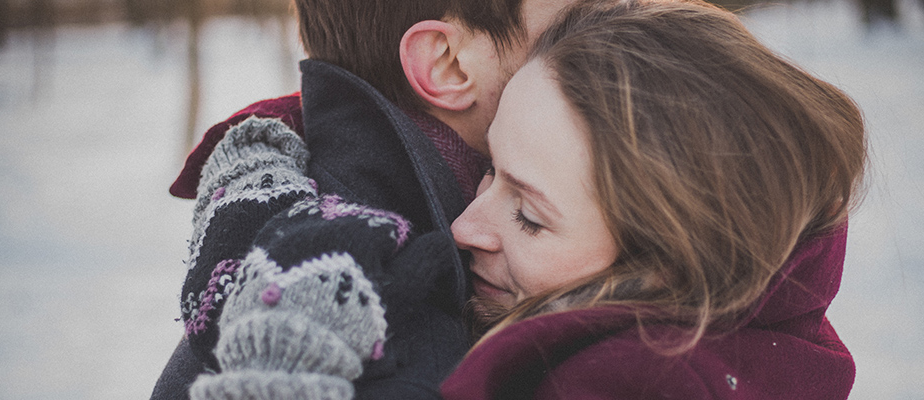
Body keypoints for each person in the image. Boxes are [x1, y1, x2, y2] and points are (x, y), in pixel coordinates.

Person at [150, 0, 581, 398]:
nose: (607, 37)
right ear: (447, 64)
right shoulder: (408, 347)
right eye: (571, 26)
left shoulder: (293, 232)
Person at [440, 0, 866, 398]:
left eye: (529, 217)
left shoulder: (616, 385)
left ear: (664, 262)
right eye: (490, 167)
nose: (463, 229)